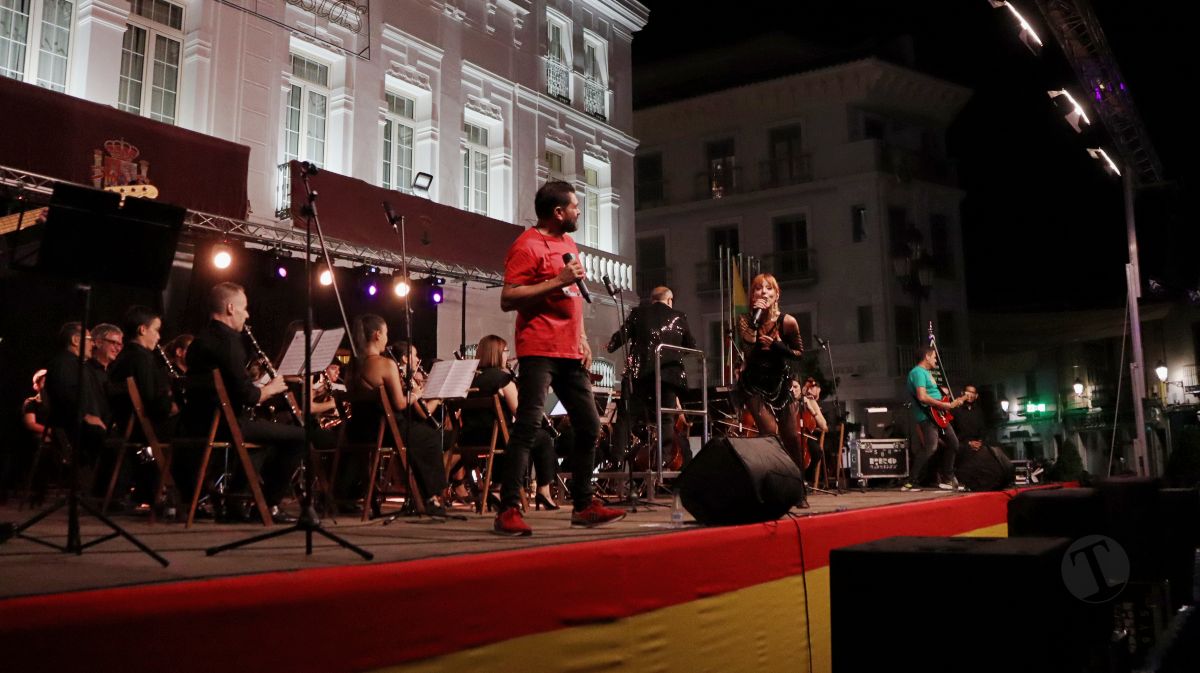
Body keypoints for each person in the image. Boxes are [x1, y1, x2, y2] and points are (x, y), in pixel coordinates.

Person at [495, 180, 625, 536]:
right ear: (558, 212)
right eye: (575, 206)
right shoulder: (527, 245)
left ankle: (583, 505)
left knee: (590, 426)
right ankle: (507, 508)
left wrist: (582, 338)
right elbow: (509, 297)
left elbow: (573, 295)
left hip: (569, 350)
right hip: (539, 349)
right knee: (528, 424)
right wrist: (557, 279)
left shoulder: (568, 242)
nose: (579, 211)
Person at [177, 282, 303, 523]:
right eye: (244, 309)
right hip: (225, 422)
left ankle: (236, 501)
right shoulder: (229, 341)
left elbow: (232, 386)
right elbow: (248, 396)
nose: (248, 314)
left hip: (197, 421)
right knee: (299, 436)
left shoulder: (200, 341)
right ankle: (268, 505)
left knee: (267, 439)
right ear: (231, 308)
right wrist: (271, 388)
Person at [340, 314, 448, 516]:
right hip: (384, 430)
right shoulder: (385, 364)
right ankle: (430, 497)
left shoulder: (352, 366)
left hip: (358, 430)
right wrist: (415, 394)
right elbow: (399, 403)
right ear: (377, 334)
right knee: (428, 436)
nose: (387, 339)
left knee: (417, 435)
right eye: (386, 333)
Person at [454, 334, 559, 509]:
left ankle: (496, 487)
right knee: (542, 438)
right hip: (495, 437)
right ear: (496, 354)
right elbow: (521, 414)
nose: (507, 355)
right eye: (505, 351)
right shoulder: (502, 379)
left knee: (506, 435)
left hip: (468, 439)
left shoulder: (468, 379)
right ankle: (543, 491)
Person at [736, 273, 807, 506]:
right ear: (752, 295)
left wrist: (777, 346)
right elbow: (747, 345)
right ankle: (772, 489)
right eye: (758, 289)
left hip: (780, 384)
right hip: (754, 384)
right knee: (770, 435)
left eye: (768, 289)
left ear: (777, 295)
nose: (763, 293)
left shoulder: (788, 321)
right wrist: (756, 322)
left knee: (791, 438)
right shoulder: (746, 320)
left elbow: (799, 353)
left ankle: (798, 489)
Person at [606, 285, 697, 466]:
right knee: (665, 418)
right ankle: (662, 460)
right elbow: (691, 347)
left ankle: (616, 460)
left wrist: (611, 345)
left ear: (652, 299)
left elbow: (617, 340)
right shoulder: (679, 316)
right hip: (669, 375)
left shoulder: (638, 313)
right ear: (670, 300)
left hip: (640, 374)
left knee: (627, 416)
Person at [108, 305, 176, 506]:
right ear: (142, 330)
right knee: (201, 432)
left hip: (127, 427)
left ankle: (148, 490)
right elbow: (153, 404)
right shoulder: (142, 359)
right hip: (146, 427)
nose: (158, 337)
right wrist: (172, 404)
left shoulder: (122, 358)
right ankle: (190, 495)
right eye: (156, 330)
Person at [43, 322, 111, 494]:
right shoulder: (64, 364)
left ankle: (111, 491)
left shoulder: (77, 364)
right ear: (75, 340)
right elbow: (65, 396)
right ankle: (107, 492)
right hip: (74, 426)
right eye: (89, 339)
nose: (93, 344)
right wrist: (85, 415)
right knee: (123, 444)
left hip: (81, 423)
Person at [905, 346, 964, 491]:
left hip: (939, 415)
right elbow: (922, 396)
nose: (936, 360)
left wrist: (946, 401)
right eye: (934, 357)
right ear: (927, 356)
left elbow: (931, 394)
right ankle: (911, 481)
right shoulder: (918, 372)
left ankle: (948, 478)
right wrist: (946, 405)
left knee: (954, 443)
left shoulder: (926, 373)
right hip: (928, 415)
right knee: (931, 448)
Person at [792, 377, 829, 484]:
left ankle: (806, 479)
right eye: (791, 387)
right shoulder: (785, 402)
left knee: (817, 452)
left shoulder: (810, 401)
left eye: (796, 387)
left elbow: (824, 426)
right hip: (789, 435)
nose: (793, 390)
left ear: (800, 387)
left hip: (805, 436)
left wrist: (810, 408)